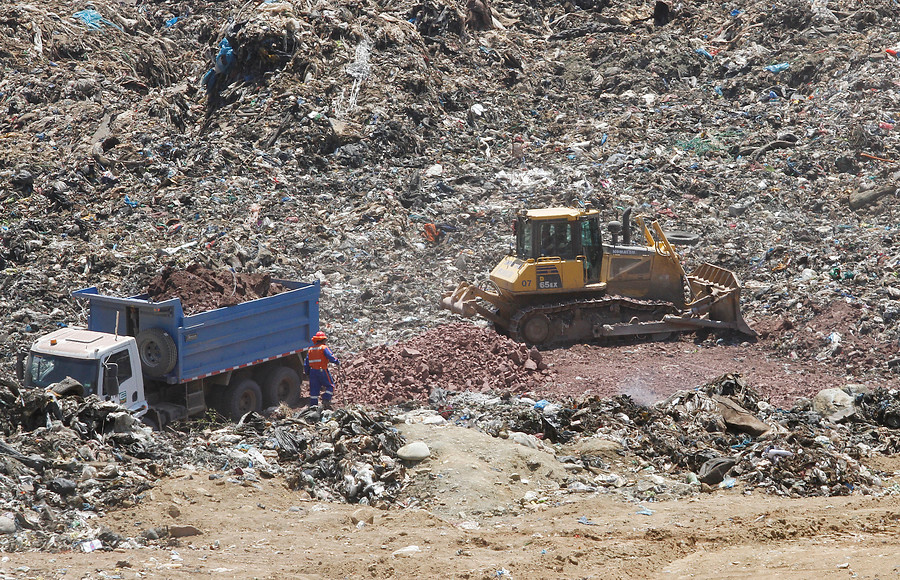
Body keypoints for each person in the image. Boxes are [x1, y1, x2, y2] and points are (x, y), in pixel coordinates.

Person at [304, 331, 339, 409]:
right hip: (322, 370)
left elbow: (306, 363)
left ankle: (313, 407)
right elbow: (330, 357)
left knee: (314, 392)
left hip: (313, 372)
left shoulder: (310, 350)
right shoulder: (323, 348)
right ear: (323, 340)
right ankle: (326, 399)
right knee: (330, 386)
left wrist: (307, 373)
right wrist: (337, 361)